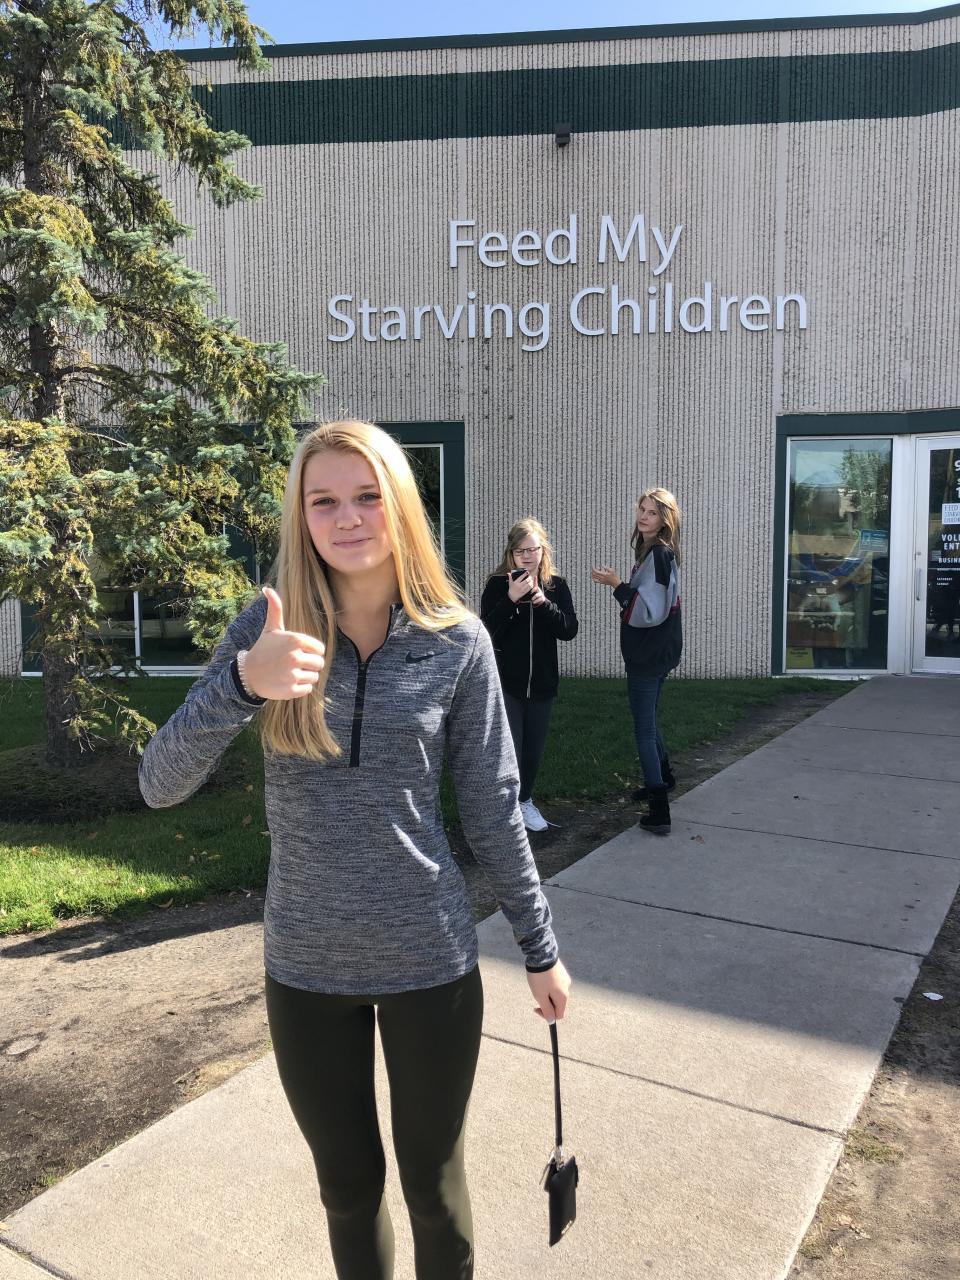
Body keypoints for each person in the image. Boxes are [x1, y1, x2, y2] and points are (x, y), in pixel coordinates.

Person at [139, 421, 571, 1280]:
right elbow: (159, 782)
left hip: (429, 961)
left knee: (433, 1191)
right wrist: (243, 683)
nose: (346, 518)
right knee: (345, 1189)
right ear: (300, 516)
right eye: (323, 500)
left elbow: (492, 810)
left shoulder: (458, 641)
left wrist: (540, 947)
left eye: (367, 496)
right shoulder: (268, 628)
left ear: (400, 505)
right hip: (306, 965)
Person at [592, 488, 682, 836]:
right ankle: (665, 777)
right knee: (650, 718)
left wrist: (617, 584)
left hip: (648, 655)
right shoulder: (654, 552)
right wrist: (621, 585)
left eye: (653, 512)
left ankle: (659, 811)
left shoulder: (658, 554)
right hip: (658, 651)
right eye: (642, 509)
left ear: (665, 520)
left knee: (643, 728)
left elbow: (649, 611)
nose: (644, 516)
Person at [480, 519, 579, 833]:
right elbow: (485, 631)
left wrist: (544, 604)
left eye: (532, 549)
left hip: (542, 684)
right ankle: (504, 808)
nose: (527, 556)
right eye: (520, 550)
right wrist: (510, 599)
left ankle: (525, 800)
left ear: (542, 550)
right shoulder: (498, 584)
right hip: (507, 683)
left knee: (533, 751)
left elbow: (569, 630)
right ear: (510, 553)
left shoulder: (556, 586)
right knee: (509, 749)